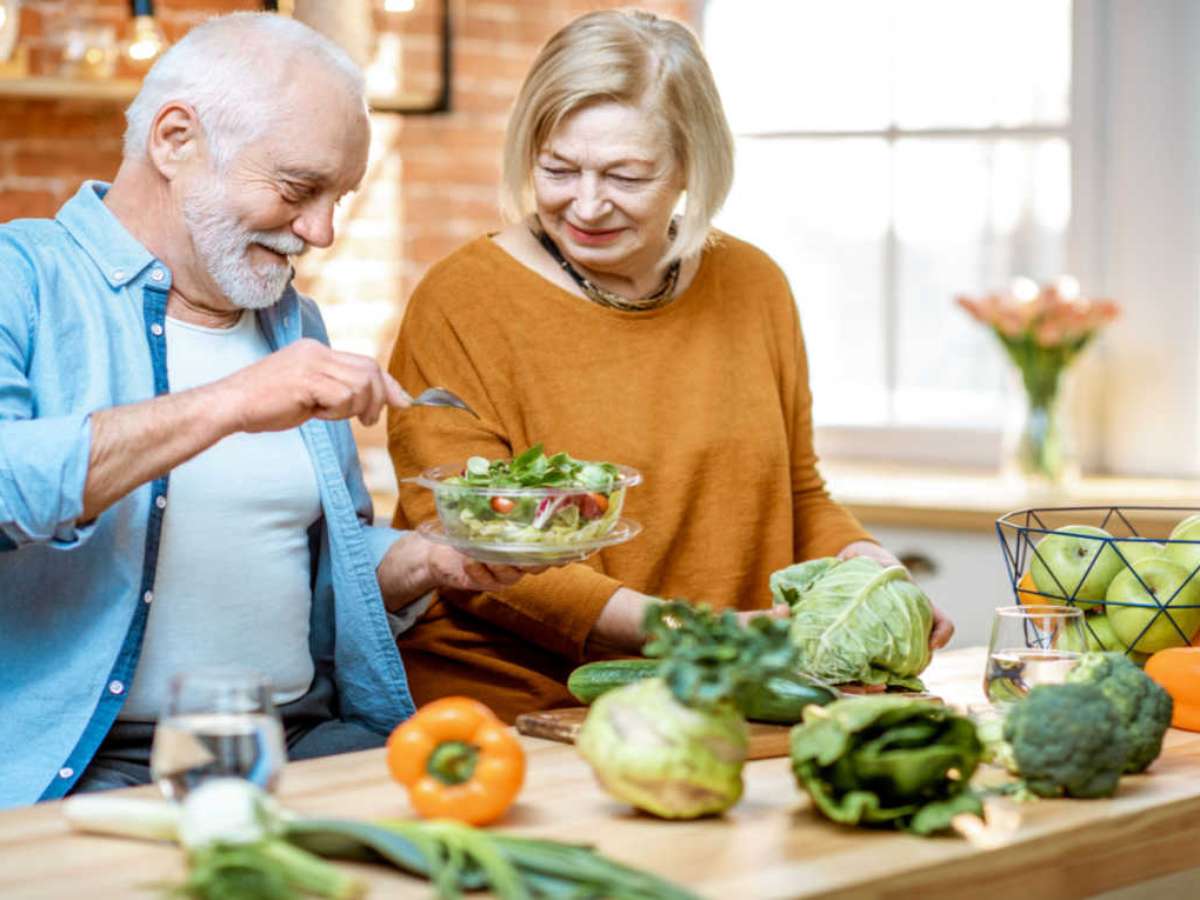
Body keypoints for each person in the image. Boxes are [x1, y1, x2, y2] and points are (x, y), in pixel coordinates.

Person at [0, 13, 532, 810]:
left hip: (310, 739)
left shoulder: (292, 323)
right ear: (175, 140)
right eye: (297, 189)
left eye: (339, 198)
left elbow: (312, 557)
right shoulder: (24, 280)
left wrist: (429, 563)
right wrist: (231, 403)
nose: (319, 231)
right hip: (93, 763)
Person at [386, 9, 954, 723]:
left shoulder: (754, 284)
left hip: (725, 697)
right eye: (558, 168)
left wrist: (874, 575)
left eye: (627, 175)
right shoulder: (462, 299)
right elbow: (468, 547)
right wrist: (694, 633)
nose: (586, 204)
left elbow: (797, 492)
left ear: (692, 164)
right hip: (526, 711)